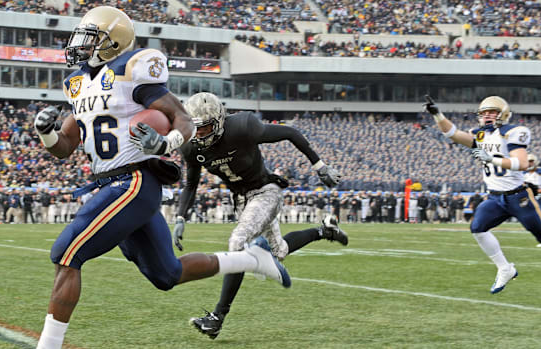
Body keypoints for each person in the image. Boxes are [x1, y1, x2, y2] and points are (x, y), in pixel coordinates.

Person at [34, 7, 290, 349]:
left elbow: (182, 118)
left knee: (66, 254)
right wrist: (46, 132)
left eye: (91, 38)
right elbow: (65, 147)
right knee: (167, 274)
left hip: (132, 182)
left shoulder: (132, 69)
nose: (82, 45)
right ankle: (252, 258)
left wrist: (165, 143)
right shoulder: (78, 83)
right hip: (112, 184)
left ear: (114, 41)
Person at [168, 92, 348, 339]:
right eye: (195, 128)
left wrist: (320, 166)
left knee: (237, 244)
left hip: (265, 191)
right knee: (279, 251)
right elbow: (191, 184)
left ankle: (217, 318)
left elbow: (290, 133)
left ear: (219, 121)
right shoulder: (191, 146)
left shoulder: (242, 126)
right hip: (241, 199)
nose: (199, 134)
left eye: (205, 128)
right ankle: (324, 230)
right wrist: (180, 218)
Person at [424, 95, 541, 294]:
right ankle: (505, 268)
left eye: (492, 112)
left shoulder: (514, 132)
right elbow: (453, 134)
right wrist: (437, 114)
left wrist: (492, 159)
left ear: (504, 114)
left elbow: (522, 163)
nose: (487, 116)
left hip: (518, 196)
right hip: (495, 197)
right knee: (478, 228)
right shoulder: (481, 135)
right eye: (484, 113)